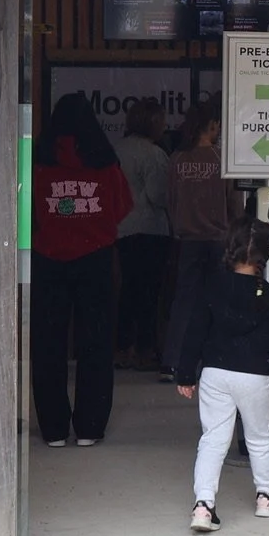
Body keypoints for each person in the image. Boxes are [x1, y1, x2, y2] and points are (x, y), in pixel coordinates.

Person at [176, 218, 269, 532]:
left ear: (230, 249)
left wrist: (185, 373)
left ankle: (203, 506)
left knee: (213, 440)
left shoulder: (211, 288)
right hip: (254, 375)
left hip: (215, 372)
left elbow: (194, 331)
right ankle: (266, 497)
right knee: (259, 437)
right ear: (264, 256)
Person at [30, 91, 133, 448]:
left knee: (48, 345)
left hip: (47, 259)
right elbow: (122, 208)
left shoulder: (39, 160)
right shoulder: (105, 161)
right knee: (97, 343)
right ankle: (89, 427)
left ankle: (54, 429)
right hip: (97, 259)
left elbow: (25, 211)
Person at [163, 97, 240, 385]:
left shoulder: (177, 159)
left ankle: (172, 362)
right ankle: (216, 360)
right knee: (219, 301)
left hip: (187, 239)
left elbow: (168, 201)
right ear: (212, 125)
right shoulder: (221, 160)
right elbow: (233, 202)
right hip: (218, 239)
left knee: (183, 302)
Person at [111, 98, 173, 369]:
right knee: (149, 293)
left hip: (122, 229)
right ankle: (146, 350)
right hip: (150, 230)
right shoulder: (153, 154)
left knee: (127, 291)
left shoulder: (116, 150)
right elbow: (159, 196)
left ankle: (122, 348)